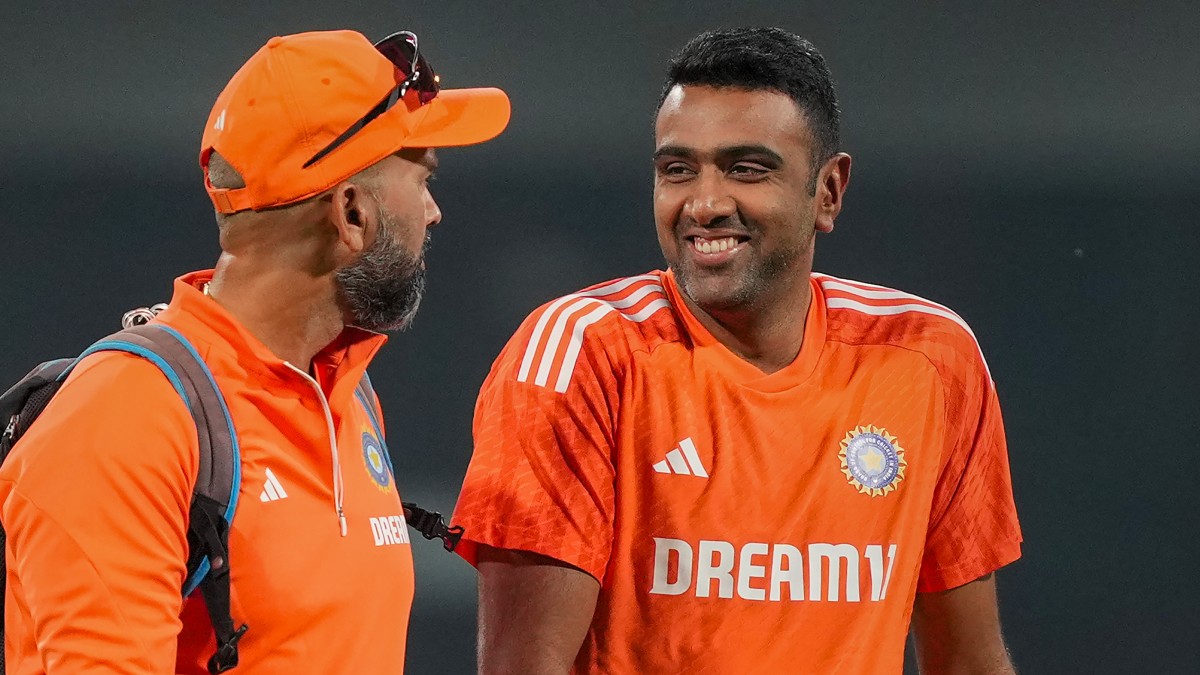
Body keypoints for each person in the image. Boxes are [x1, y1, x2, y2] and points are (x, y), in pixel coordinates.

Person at [450, 27, 1021, 674]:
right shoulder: (581, 353)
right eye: (677, 170)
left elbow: (969, 660)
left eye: (747, 169)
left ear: (828, 192)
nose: (705, 204)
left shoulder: (929, 356)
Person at [0, 28, 509, 673]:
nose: (433, 212)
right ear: (352, 213)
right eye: (422, 179)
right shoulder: (126, 420)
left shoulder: (346, 394)